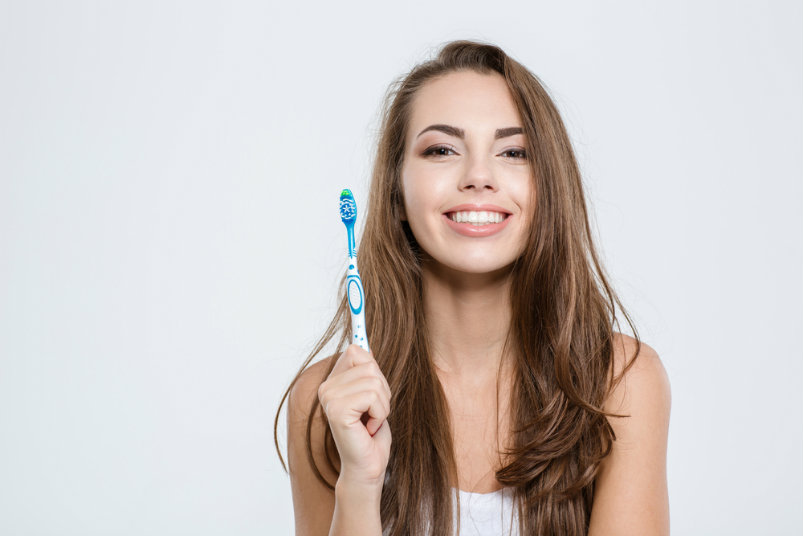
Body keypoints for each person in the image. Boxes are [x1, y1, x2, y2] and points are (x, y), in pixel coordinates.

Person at [274, 40, 671, 536]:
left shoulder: (620, 381)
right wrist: (360, 481)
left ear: (548, 186)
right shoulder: (324, 400)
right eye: (442, 150)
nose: (479, 177)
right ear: (397, 192)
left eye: (513, 152)